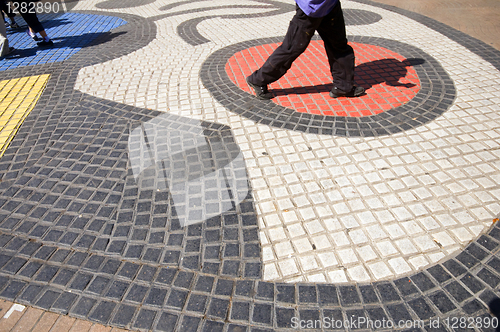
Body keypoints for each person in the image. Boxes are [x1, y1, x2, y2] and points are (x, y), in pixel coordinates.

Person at [246, 0, 364, 100]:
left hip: (330, 5)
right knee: (292, 48)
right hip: (310, 8)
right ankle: (258, 79)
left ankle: (343, 86)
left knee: (339, 45)